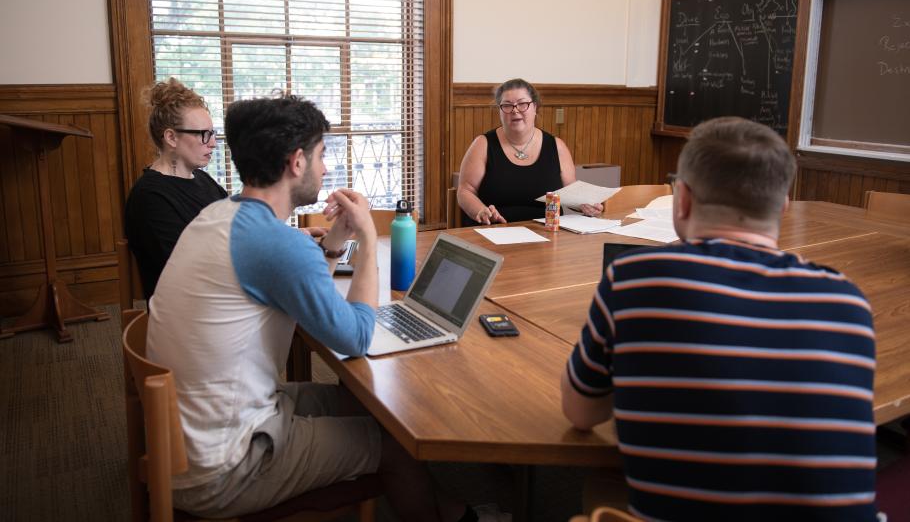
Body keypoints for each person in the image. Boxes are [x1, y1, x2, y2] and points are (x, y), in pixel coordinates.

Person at [146, 94, 503, 522]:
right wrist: (369, 239)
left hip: (190, 435)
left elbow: (290, 278)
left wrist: (335, 243)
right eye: (321, 154)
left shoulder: (220, 215)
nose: (326, 168)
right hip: (224, 466)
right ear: (296, 162)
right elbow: (356, 338)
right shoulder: (276, 243)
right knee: (395, 443)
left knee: (362, 404)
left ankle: (449, 510)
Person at [561, 117, 877, 521]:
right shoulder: (848, 303)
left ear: (683, 199)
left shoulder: (634, 280)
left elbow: (582, 414)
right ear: (782, 205)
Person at [124, 78, 227, 298]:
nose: (213, 143)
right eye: (203, 134)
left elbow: (240, 228)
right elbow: (189, 271)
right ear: (171, 137)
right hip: (189, 311)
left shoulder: (204, 180)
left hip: (219, 295)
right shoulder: (149, 197)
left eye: (212, 133)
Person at [457, 78, 603, 225]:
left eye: (522, 104)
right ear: (499, 111)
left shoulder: (557, 146)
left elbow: (571, 193)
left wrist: (586, 205)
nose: (515, 110)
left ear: (535, 107)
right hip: (493, 231)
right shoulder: (482, 144)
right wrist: (481, 211)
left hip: (546, 235)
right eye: (507, 105)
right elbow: (465, 190)